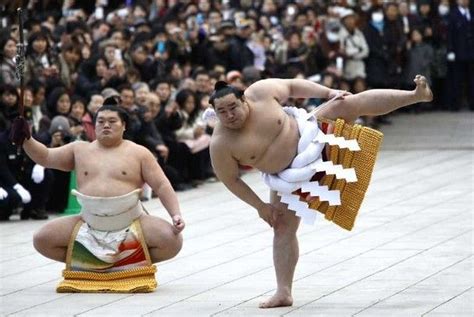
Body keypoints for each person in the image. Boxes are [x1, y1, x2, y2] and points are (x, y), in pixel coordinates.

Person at [209, 75, 432, 308]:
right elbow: (230, 180)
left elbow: (293, 85)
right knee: (282, 228)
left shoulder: (261, 92)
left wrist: (327, 93)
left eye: (233, 107)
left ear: (244, 100)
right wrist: (260, 206)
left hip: (314, 135)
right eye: (222, 112)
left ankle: (415, 95)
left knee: (345, 102)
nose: (230, 115)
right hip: (287, 178)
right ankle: (283, 291)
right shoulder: (221, 143)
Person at [11, 97, 184, 266]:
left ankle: (128, 261)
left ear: (124, 126)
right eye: (100, 121)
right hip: (88, 222)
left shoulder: (139, 153)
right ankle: (89, 262)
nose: (106, 125)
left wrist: (175, 215)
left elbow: (162, 185)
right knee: (42, 239)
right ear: (94, 126)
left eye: (112, 121)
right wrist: (27, 139)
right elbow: (46, 156)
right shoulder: (79, 149)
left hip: (130, 221)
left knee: (172, 241)